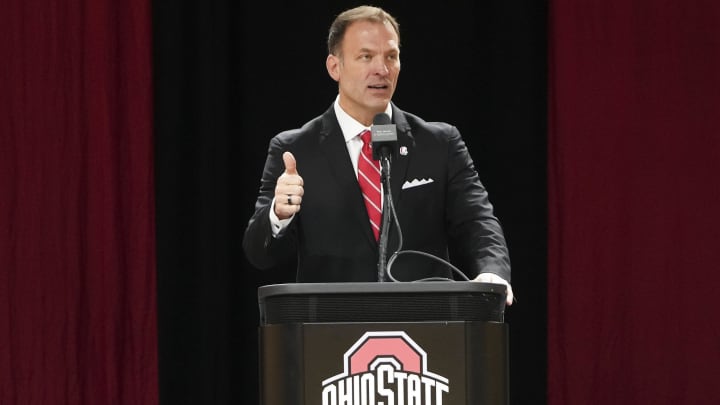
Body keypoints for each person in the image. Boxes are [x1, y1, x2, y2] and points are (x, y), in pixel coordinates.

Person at [243, 5, 514, 305]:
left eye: (391, 56)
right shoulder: (295, 151)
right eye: (366, 56)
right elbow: (259, 253)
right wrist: (278, 214)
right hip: (332, 330)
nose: (382, 70)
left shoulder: (439, 143)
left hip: (428, 325)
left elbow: (478, 221)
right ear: (335, 67)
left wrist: (492, 272)